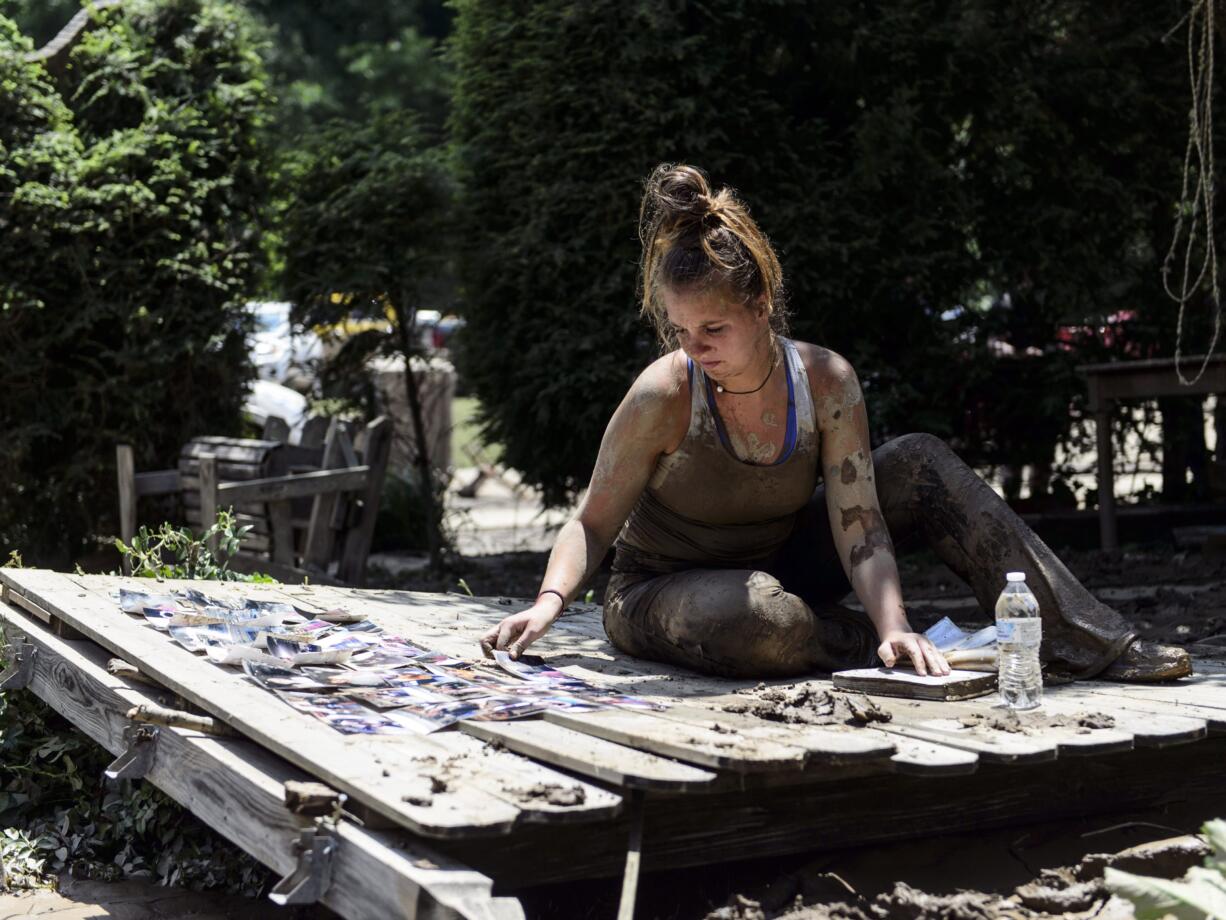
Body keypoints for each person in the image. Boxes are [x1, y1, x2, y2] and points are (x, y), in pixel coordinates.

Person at [481, 164, 1191, 683]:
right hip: (667, 592)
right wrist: (547, 605)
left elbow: (861, 525)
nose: (692, 347)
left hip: (785, 563)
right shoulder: (664, 393)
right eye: (679, 328)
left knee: (916, 461)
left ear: (761, 304)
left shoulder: (825, 380)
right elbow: (592, 523)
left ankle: (1087, 641)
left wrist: (894, 619)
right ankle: (896, 646)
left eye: (713, 327)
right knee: (756, 620)